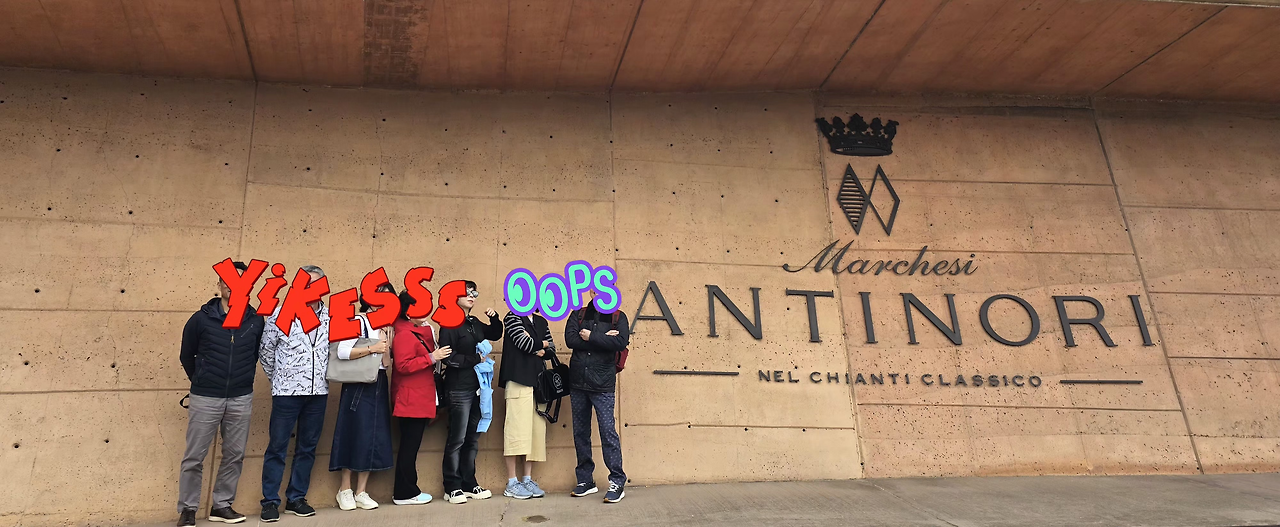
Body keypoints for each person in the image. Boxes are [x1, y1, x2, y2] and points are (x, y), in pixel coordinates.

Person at [176, 261, 265, 526]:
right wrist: (202, 381)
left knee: (234, 454)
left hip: (240, 397)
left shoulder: (255, 320)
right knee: (194, 456)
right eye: (229, 280)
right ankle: (188, 509)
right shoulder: (201, 319)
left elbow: (255, 354)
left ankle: (221, 505)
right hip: (206, 397)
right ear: (219, 284)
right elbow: (187, 355)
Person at [258, 265, 331, 522]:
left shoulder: (331, 317)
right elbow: (266, 351)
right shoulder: (281, 314)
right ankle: (270, 501)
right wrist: (280, 379)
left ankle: (296, 498)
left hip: (318, 392)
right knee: (277, 447)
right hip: (286, 393)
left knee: (307, 448)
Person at [329, 284, 396, 511]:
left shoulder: (387, 326)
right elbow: (342, 352)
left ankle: (361, 491)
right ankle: (344, 489)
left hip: (378, 380)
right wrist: (372, 348)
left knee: (373, 434)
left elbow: (386, 363)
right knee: (352, 432)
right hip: (357, 383)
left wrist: (385, 340)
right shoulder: (358, 320)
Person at [435, 280, 503, 504]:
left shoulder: (473, 322)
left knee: (472, 439)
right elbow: (448, 358)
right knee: (457, 439)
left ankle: (469, 483)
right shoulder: (448, 324)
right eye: (467, 293)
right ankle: (452, 486)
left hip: (478, 389)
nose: (472, 296)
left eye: (475, 292)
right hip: (458, 389)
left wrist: (495, 318)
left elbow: (495, 333)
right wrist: (475, 359)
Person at [564, 289, 631, 503]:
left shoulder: (618, 316)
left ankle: (617, 481)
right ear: (592, 291)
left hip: (603, 385)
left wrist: (591, 336)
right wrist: (603, 339)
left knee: (607, 431)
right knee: (580, 432)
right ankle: (585, 480)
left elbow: (621, 342)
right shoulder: (578, 313)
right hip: (577, 382)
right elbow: (570, 340)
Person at [389, 290, 453, 505]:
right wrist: (431, 357)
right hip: (410, 399)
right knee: (409, 447)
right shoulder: (404, 334)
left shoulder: (414, 331)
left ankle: (406, 491)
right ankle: (405, 492)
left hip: (418, 398)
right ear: (408, 312)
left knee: (411, 446)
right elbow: (403, 365)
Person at [497, 309, 555, 499]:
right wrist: (541, 344)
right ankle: (512, 482)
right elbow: (524, 343)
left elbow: (551, 349)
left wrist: (541, 347)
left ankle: (527, 479)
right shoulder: (512, 316)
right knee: (515, 431)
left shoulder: (541, 321)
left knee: (535, 432)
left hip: (538, 384)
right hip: (518, 379)